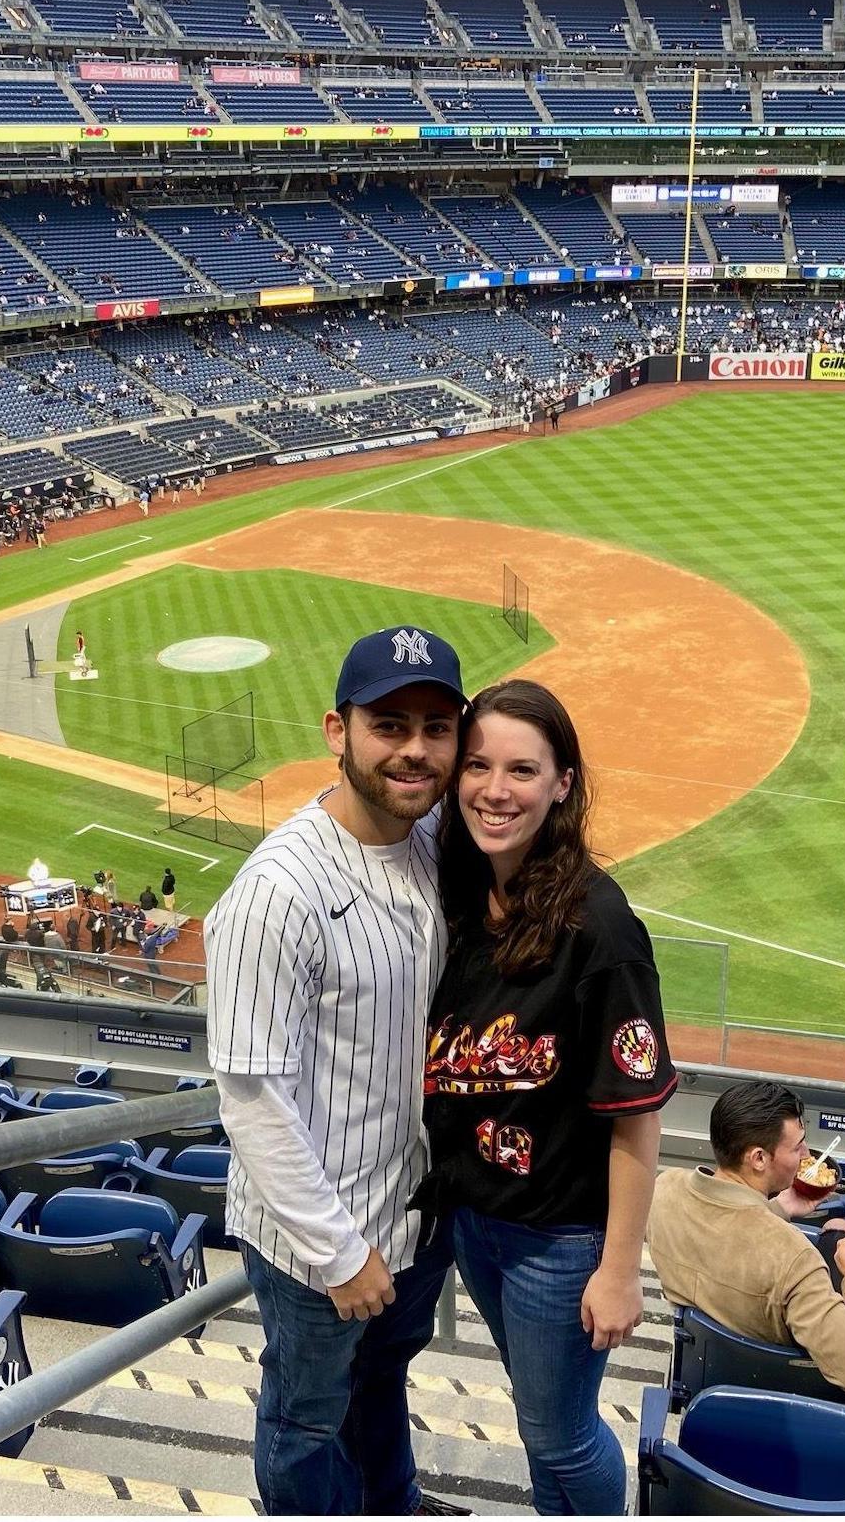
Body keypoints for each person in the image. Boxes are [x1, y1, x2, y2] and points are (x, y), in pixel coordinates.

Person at [204, 625, 470, 1517]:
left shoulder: (434, 837)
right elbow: (249, 1098)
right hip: (320, 1241)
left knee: (382, 1379)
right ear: (337, 729)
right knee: (305, 1420)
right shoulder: (277, 891)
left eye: (437, 726)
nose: (414, 748)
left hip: (409, 1215)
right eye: (389, 723)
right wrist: (337, 1253)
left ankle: (391, 1502)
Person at [424, 679, 677, 1515]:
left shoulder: (599, 927)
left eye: (522, 769)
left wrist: (617, 1269)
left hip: (559, 1243)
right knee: (541, 1428)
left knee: (560, 1432)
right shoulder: (457, 890)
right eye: (478, 764)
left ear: (562, 782)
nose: (495, 789)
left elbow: (636, 1118)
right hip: (473, 1221)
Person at [647, 1079, 845, 1400]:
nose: (805, 1156)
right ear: (759, 1158)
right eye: (798, 1147)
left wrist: (776, 1209)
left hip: (697, 1386)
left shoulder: (663, 1190)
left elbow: (725, 1238)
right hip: (780, 1402)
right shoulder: (794, 1257)